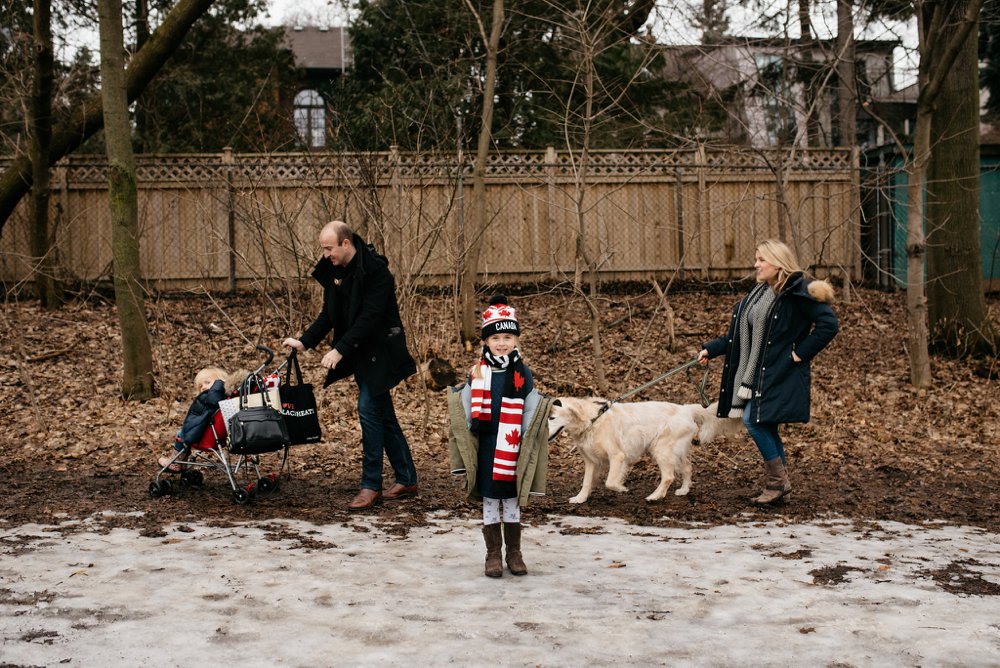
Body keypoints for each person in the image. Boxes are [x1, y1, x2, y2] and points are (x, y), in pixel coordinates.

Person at [283, 221, 418, 511]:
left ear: (346, 243)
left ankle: (371, 485)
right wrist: (305, 341)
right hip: (361, 351)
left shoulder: (377, 273)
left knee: (368, 409)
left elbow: (369, 318)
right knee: (383, 414)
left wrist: (339, 349)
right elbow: (329, 314)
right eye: (323, 248)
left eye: (329, 248)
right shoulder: (336, 272)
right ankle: (406, 478)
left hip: (382, 350)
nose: (325, 254)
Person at [697, 239, 839, 505]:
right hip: (757, 372)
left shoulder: (798, 291)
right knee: (766, 423)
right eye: (756, 259)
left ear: (778, 262)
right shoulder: (759, 294)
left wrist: (798, 354)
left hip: (781, 371)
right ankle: (780, 485)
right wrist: (712, 349)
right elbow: (739, 337)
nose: (756, 265)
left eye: (762, 259)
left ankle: (777, 483)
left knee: (754, 420)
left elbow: (829, 325)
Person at [447, 296, 554, 577]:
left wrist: (529, 434)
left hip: (513, 443)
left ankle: (514, 553)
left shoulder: (522, 373)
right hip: (486, 444)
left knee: (512, 499)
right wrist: (467, 438)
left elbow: (530, 406)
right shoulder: (478, 373)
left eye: (508, 336)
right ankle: (492, 554)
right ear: (486, 341)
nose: (502, 342)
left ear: (516, 339)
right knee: (491, 499)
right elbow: (466, 408)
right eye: (496, 337)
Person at [158, 367, 229, 472]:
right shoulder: (225, 398)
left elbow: (197, 422)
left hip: (207, 437)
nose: (203, 387)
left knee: (181, 434)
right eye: (201, 386)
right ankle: (181, 463)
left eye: (207, 382)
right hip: (222, 437)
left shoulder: (212, 398)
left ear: (220, 382)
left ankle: (176, 462)